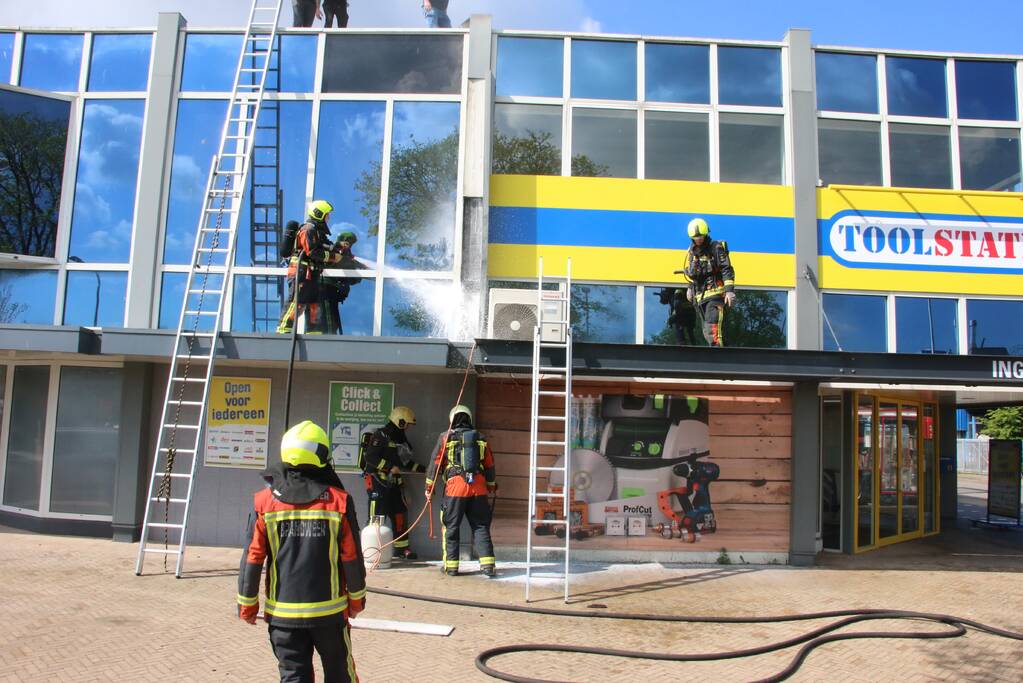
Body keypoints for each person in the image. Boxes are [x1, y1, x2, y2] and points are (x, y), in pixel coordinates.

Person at [237, 420, 366, 683]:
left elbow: (252, 557)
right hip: (329, 616)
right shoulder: (339, 501)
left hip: (282, 617)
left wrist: (247, 604)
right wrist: (356, 600)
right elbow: (351, 557)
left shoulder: (264, 502)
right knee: (340, 675)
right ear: (321, 456)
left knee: (294, 677)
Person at [426, 404, 497, 577]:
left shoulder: (445, 437)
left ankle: (451, 567)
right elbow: (489, 465)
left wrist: (429, 488)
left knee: (451, 527)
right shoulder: (481, 437)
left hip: (455, 488)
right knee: (480, 527)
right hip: (478, 489)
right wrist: (491, 486)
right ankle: (488, 567)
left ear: (452, 419)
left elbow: (435, 464)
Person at [359, 406, 425, 560]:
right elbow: (370, 457)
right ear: (399, 422)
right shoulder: (380, 435)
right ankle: (373, 550)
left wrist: (425, 469)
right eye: (406, 424)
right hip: (377, 482)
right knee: (377, 517)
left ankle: (401, 549)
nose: (408, 427)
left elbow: (405, 462)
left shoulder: (399, 439)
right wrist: (389, 467)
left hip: (394, 483)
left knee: (400, 514)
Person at [276, 200, 340, 335]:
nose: (329, 218)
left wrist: (337, 251)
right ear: (319, 214)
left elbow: (324, 248)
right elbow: (313, 252)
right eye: (327, 215)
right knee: (297, 301)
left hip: (312, 273)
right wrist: (333, 257)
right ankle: (283, 329)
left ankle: (313, 332)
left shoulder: (318, 232)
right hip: (302, 271)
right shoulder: (308, 230)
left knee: (314, 303)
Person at [681, 217, 735, 347]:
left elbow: (726, 268)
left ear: (706, 233)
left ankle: (719, 360)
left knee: (713, 330)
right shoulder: (692, 252)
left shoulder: (715, 247)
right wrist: (690, 287)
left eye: (701, 236)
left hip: (716, 296)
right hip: (700, 298)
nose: (698, 238)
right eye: (696, 236)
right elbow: (693, 273)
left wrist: (729, 292)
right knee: (706, 331)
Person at [320, 231, 365, 335]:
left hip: (334, 293)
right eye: (347, 243)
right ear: (342, 241)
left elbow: (351, 279)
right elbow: (338, 263)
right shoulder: (333, 251)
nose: (348, 246)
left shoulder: (347, 256)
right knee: (328, 322)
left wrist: (358, 271)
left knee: (333, 323)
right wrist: (352, 264)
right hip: (325, 291)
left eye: (350, 244)